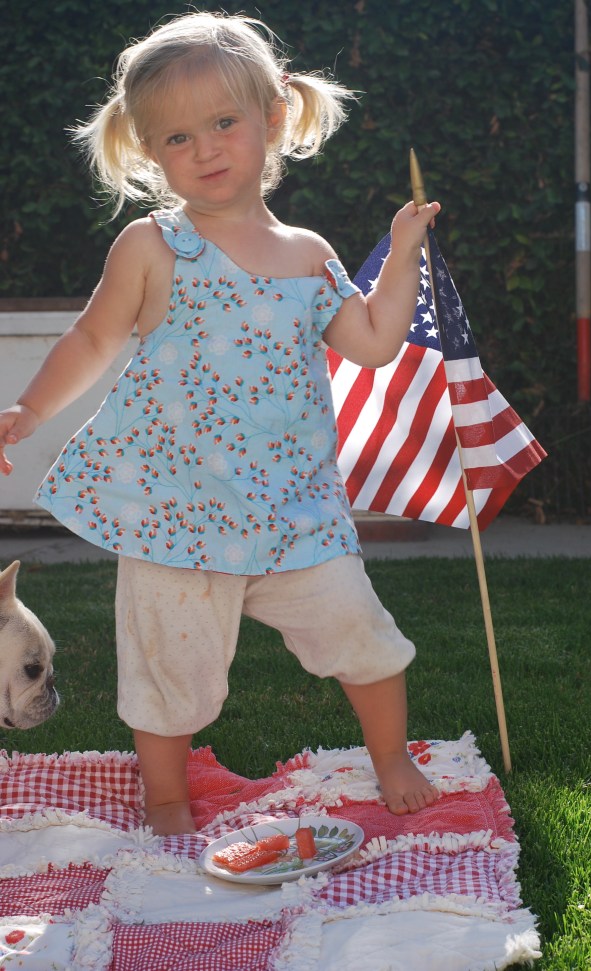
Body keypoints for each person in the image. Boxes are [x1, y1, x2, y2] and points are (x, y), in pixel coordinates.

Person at [0, 11, 441, 835]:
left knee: (360, 629)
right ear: (146, 150)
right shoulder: (152, 246)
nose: (203, 149)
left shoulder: (310, 254)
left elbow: (376, 342)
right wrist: (30, 407)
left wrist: (403, 251)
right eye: (174, 138)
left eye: (224, 123)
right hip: (179, 514)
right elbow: (94, 336)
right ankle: (166, 795)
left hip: (293, 514)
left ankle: (391, 756)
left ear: (274, 119)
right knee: (167, 668)